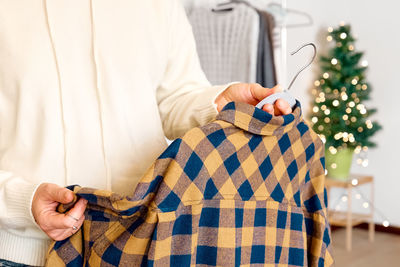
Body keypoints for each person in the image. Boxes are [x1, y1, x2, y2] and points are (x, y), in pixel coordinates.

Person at [0, 0, 292, 266]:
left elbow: (174, 98)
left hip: (146, 249)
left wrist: (217, 103)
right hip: (23, 255)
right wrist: (21, 200)